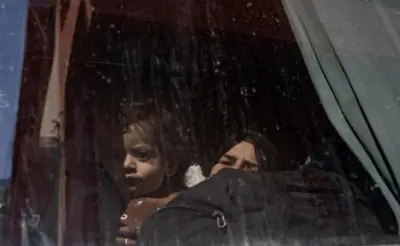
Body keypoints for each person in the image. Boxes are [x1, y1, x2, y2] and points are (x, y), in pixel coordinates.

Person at [137, 130, 384, 246]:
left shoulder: (264, 227)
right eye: (226, 162)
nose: (231, 174)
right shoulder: (154, 206)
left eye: (249, 169)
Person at [115, 102, 190, 246]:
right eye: (118, 155)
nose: (126, 164)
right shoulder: (110, 204)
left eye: (142, 155)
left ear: (170, 164)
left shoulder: (185, 210)